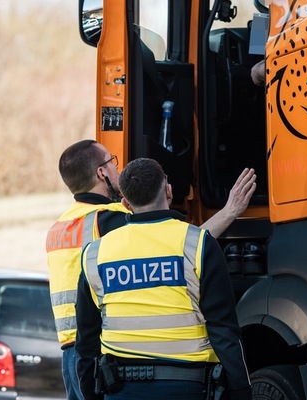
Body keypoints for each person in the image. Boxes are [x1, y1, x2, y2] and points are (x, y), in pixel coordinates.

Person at [46, 140, 255, 400]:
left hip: (76, 353)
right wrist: (229, 212)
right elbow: (176, 245)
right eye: (113, 161)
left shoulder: (61, 226)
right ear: (101, 173)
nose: (117, 168)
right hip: (112, 354)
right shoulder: (109, 219)